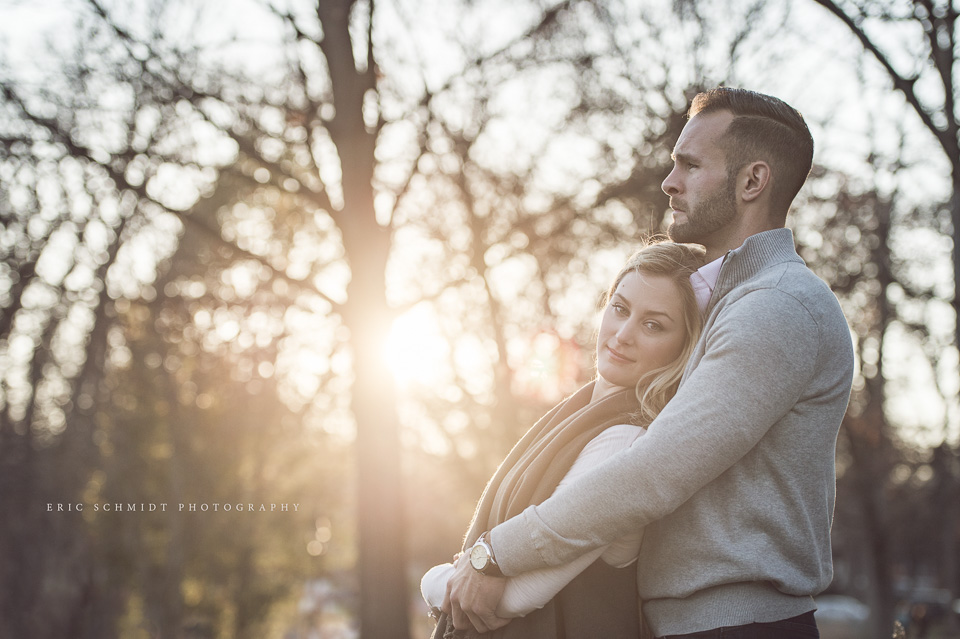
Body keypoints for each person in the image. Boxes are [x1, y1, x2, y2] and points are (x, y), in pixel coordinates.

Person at [444, 87, 855, 639]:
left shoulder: (776, 305)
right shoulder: (726, 300)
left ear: (752, 182)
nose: (670, 182)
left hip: (736, 627)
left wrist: (496, 553)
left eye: (690, 165)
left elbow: (653, 472)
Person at [422, 240, 706, 638]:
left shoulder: (624, 439)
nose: (623, 334)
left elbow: (517, 597)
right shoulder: (574, 418)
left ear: (683, 346)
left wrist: (437, 581)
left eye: (653, 324)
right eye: (620, 309)